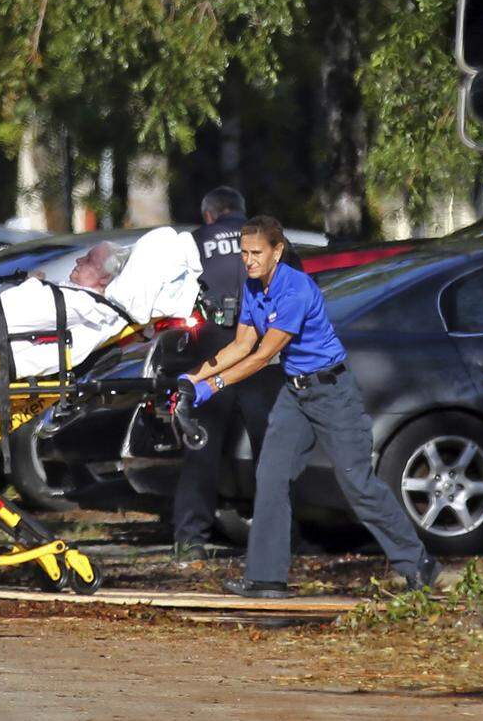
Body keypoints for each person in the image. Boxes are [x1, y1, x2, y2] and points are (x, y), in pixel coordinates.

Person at [181, 215, 440, 598]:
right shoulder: (253, 288)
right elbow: (240, 345)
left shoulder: (296, 289)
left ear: (277, 251)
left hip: (332, 391)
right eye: (244, 253)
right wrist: (192, 378)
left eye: (256, 253)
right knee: (270, 476)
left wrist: (214, 385)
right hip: (295, 393)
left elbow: (263, 355)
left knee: (357, 484)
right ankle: (267, 578)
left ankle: (419, 564)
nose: (248, 261)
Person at [172, 188, 300, 561]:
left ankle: (189, 542)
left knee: (202, 451)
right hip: (264, 355)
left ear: (209, 215)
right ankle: (282, 541)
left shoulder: (193, 243)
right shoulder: (272, 243)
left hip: (212, 353)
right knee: (272, 455)